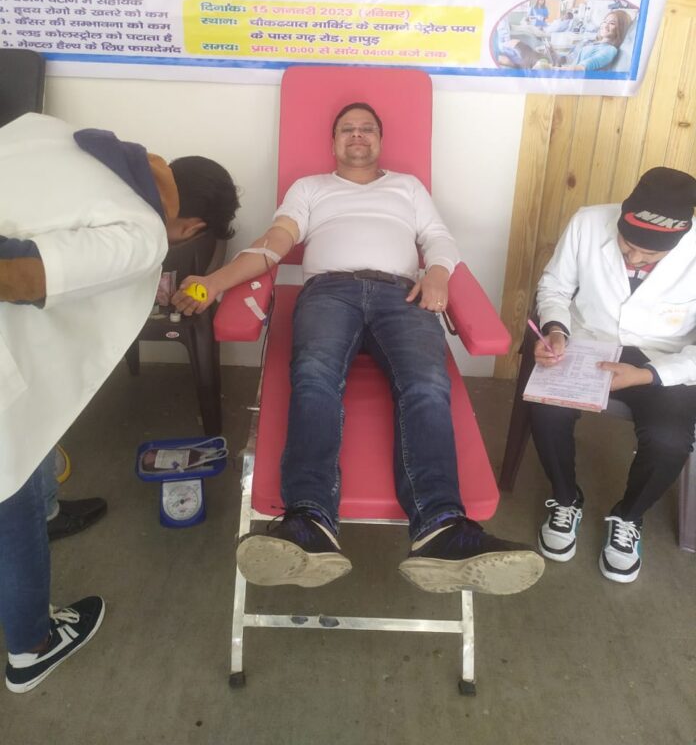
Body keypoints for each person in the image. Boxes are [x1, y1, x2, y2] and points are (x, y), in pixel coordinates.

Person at [174, 102, 545, 597]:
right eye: (347, 129)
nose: (357, 136)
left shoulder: (408, 187)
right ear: (333, 143)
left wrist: (437, 272)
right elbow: (273, 244)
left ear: (379, 141)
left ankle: (444, 531)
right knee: (313, 376)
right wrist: (214, 282)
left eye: (367, 129)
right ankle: (309, 523)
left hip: (402, 293)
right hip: (330, 291)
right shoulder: (309, 188)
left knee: (427, 385)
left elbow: (438, 237)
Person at [0, 112, 239, 693]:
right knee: (7, 487)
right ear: (194, 226)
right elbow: (22, 276)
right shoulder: (143, 232)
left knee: (34, 428)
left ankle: (48, 513)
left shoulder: (59, 131)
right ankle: (31, 648)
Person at [529, 167, 696, 583]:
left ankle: (629, 517)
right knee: (546, 409)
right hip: (590, 339)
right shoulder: (588, 221)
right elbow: (554, 286)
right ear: (620, 218)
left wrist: (647, 376)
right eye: (627, 246)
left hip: (665, 356)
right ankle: (566, 498)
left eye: (650, 257)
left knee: (671, 437)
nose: (635, 260)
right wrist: (555, 330)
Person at [498, 9, 631, 72]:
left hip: (558, 69)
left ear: (620, 28)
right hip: (558, 62)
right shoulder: (595, 42)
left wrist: (550, 68)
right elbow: (571, 58)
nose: (605, 25)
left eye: (612, 23)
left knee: (516, 46)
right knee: (513, 51)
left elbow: (580, 68)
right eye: (605, 21)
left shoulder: (609, 50)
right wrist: (553, 53)